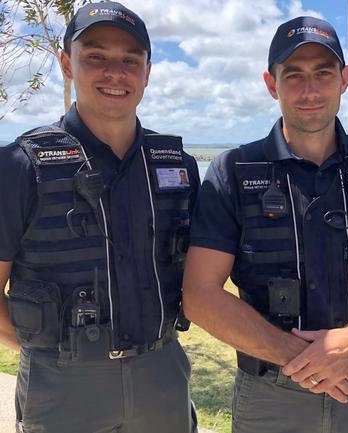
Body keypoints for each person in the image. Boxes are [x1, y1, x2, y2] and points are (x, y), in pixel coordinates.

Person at [183, 15, 348, 433]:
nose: (310, 90)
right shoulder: (233, 170)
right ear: (272, 84)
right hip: (270, 394)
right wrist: (301, 357)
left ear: (344, 79)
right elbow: (199, 294)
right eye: (294, 75)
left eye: (323, 73)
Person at [0, 3, 199, 432]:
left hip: (161, 373)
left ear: (148, 72)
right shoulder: (21, 165)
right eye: (96, 56)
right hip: (62, 385)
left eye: (130, 60)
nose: (115, 72)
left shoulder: (177, 166)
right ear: (66, 63)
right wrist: (51, 352)